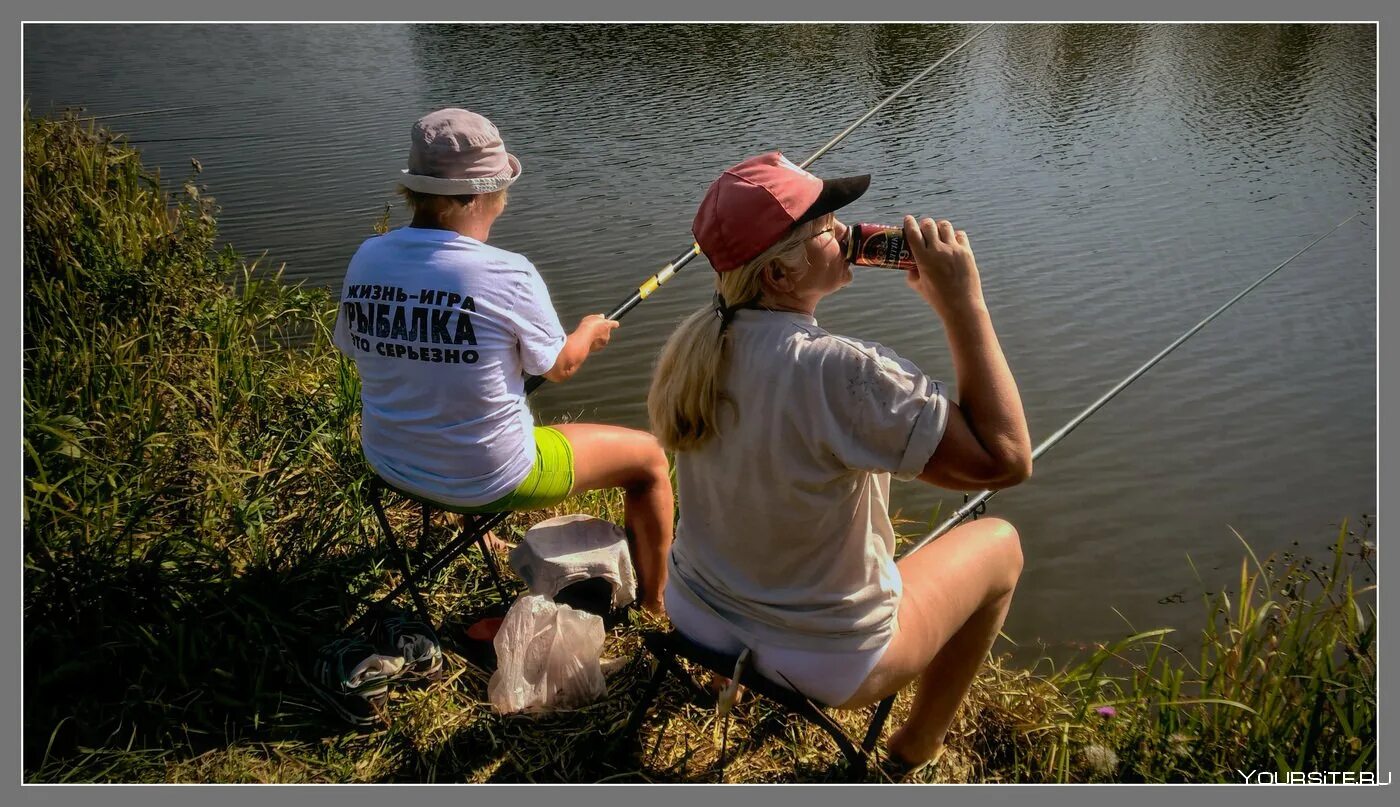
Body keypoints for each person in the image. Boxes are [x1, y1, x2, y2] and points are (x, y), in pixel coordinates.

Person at [646, 152, 1031, 773]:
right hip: (824, 661)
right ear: (778, 273)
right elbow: (1005, 460)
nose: (848, 235)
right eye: (824, 228)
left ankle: (731, 680)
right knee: (1001, 543)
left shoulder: (694, 343)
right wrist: (963, 304)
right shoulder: (843, 372)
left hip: (697, 615)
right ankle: (916, 746)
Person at [335, 108, 672, 614]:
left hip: (389, 461)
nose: (503, 201)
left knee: (466, 406)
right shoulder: (506, 272)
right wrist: (587, 332)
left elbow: (358, 346)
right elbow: (560, 368)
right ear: (475, 196)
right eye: (500, 189)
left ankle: (475, 532)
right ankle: (655, 605)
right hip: (488, 479)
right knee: (647, 458)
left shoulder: (368, 256)